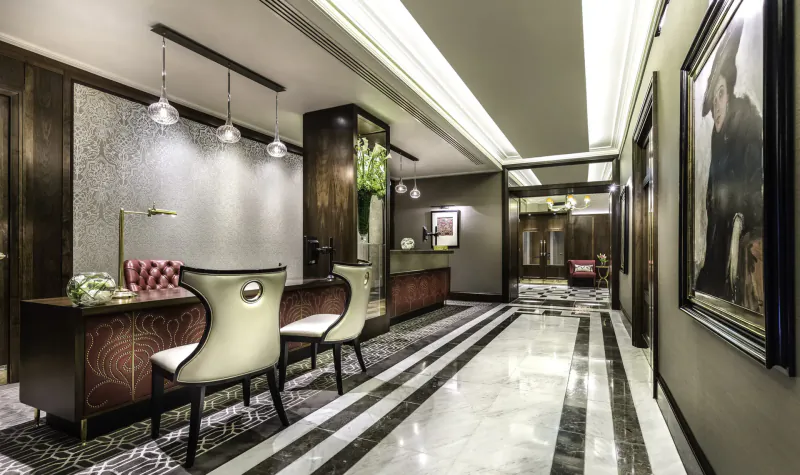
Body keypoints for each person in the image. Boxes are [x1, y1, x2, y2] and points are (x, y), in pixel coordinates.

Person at [694, 19, 764, 314]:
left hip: (745, 229)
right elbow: (712, 195)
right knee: (705, 284)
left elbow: (757, 182)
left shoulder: (747, 117)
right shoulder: (716, 136)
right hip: (719, 238)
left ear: (730, 90)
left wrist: (737, 228)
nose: (717, 106)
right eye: (713, 97)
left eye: (721, 93)